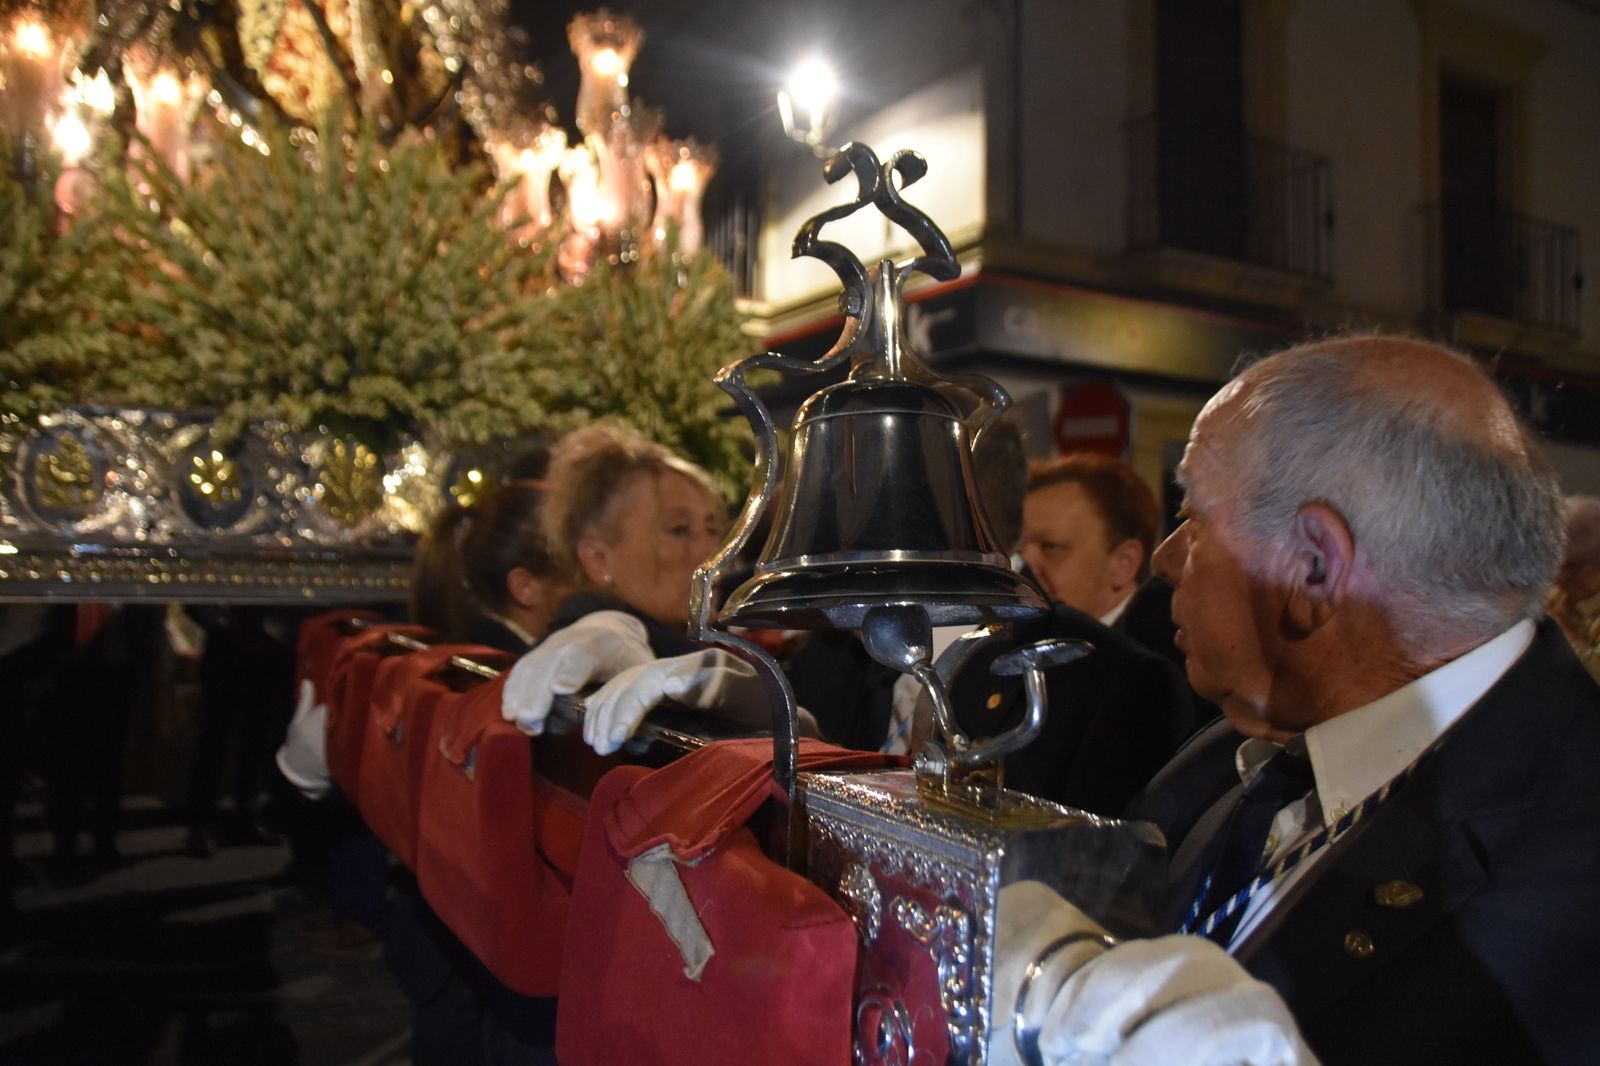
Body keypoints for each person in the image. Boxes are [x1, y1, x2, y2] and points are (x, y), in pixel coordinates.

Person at [988, 334, 1600, 1064]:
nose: (1165, 558)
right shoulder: (1239, 741)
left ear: (1315, 568)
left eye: (1196, 517)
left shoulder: (1570, 869)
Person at [1549, 493, 1600, 681]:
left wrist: (1559, 629)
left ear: (1593, 571)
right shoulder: (1559, 594)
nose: (1554, 577)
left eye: (1565, 567)